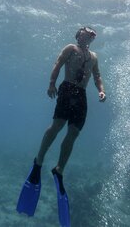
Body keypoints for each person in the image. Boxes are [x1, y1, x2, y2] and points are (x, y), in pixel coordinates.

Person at [17, 27, 106, 223]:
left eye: (92, 34)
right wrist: (51, 83)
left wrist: (101, 90)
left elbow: (97, 76)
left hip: (81, 95)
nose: (89, 35)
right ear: (78, 35)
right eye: (85, 32)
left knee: (74, 132)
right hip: (67, 90)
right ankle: (39, 160)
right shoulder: (70, 48)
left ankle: (59, 169)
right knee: (57, 126)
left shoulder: (93, 56)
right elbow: (57, 64)